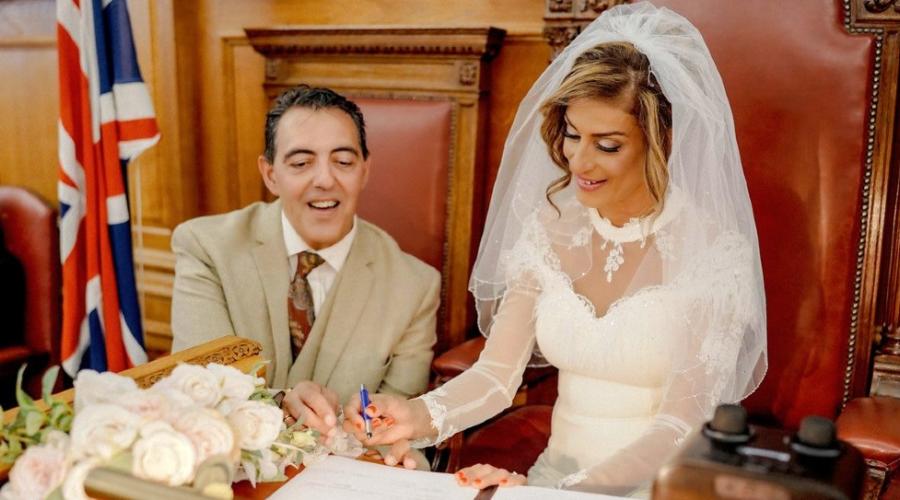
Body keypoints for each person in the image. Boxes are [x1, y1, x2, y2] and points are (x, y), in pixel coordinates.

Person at [343, 2, 767, 497]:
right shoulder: (551, 227)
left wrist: (563, 493)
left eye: (607, 145)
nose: (579, 161)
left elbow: (680, 425)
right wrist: (415, 414)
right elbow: (497, 376)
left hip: (657, 486)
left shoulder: (713, 252)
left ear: (661, 141)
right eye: (571, 135)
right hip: (552, 478)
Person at [170, 85, 440, 440]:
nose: (325, 180)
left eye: (343, 162)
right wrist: (280, 403)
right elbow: (198, 390)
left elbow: (395, 430)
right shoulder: (207, 249)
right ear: (270, 175)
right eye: (301, 163)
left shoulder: (415, 286)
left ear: (364, 170)